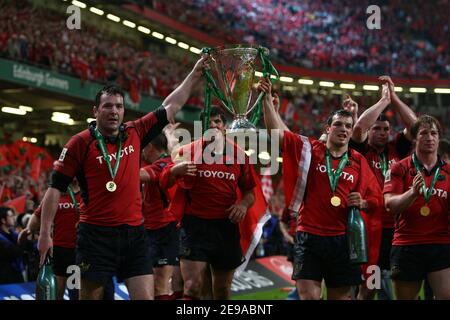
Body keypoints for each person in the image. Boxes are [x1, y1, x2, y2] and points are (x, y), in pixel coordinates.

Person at [37, 57, 208, 300]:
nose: (114, 112)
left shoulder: (135, 132)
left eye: (119, 106)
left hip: (135, 235)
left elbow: (170, 106)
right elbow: (54, 189)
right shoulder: (79, 143)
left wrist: (194, 73)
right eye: (107, 106)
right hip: (96, 236)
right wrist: (45, 234)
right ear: (95, 110)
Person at [258, 77, 382, 300]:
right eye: (338, 124)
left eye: (348, 126)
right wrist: (267, 100)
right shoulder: (309, 149)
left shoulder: (358, 161)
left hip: (343, 239)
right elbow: (277, 134)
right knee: (309, 298)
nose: (343, 129)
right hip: (309, 237)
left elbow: (377, 199)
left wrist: (363, 202)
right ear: (328, 128)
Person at [167, 106, 256, 300]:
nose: (213, 125)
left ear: (225, 127)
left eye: (217, 121)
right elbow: (170, 168)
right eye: (209, 122)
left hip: (225, 227)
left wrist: (242, 205)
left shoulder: (239, 155)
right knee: (192, 287)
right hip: (194, 227)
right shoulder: (190, 151)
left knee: (221, 290)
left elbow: (250, 193)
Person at [350, 76, 416, 300]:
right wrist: (383, 100)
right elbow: (358, 128)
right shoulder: (360, 150)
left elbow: (415, 127)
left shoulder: (396, 148)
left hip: (399, 230)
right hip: (371, 229)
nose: (382, 132)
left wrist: (394, 98)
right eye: (376, 128)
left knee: (401, 288)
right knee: (370, 287)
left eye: (385, 129)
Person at [384, 115, 450, 300]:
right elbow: (390, 205)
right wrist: (412, 193)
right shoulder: (399, 168)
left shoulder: (448, 172)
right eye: (424, 133)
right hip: (407, 245)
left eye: (434, 133)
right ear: (415, 138)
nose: (429, 137)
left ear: (438, 137)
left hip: (441, 244)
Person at [140, 130, 180, 300]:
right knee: (167, 283)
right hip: (154, 229)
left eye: (143, 148)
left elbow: (138, 175)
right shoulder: (162, 162)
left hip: (165, 229)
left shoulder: (164, 164)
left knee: (161, 282)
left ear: (150, 147)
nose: (142, 152)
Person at [0, 206, 25, 284]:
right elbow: (14, 252)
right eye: (11, 216)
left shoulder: (14, 234)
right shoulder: (1, 238)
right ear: (3, 220)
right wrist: (23, 238)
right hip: (5, 277)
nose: (14, 218)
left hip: (17, 275)